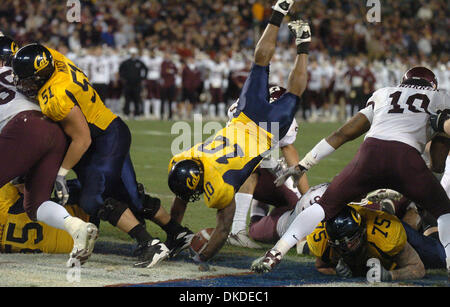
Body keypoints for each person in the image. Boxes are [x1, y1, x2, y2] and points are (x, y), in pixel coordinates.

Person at [251, 66, 450, 279]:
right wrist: (426, 175)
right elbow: (438, 162)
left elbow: (344, 133)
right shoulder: (441, 98)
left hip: (369, 155)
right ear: (433, 85)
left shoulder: (384, 93)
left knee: (324, 206)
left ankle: (276, 252)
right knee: (444, 211)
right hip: (407, 159)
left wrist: (304, 164)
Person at [11, 43, 192, 268]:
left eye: (27, 80)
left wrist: (60, 174)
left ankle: (149, 244)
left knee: (92, 199)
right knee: (129, 195)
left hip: (101, 141)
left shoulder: (54, 97)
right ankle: (178, 234)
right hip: (110, 129)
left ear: (40, 77)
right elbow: (40, 50)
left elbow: (82, 139)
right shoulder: (57, 61)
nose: (22, 84)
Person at [167, 0, 311, 265]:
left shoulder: (209, 179)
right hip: (247, 116)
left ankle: (303, 46)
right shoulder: (187, 156)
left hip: (261, 132)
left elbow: (221, 231)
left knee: (292, 93)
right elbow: (183, 192)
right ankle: (283, 21)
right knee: (260, 64)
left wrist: (202, 257)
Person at [0, 36, 98, 267]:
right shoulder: (19, 69)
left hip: (24, 127)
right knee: (35, 206)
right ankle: (76, 227)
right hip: (55, 131)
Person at [225, 92, 309, 248]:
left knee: (297, 205)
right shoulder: (246, 108)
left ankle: (257, 222)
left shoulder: (286, 120)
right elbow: (239, 148)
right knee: (251, 166)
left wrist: (308, 199)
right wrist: (270, 165)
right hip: (233, 163)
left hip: (255, 163)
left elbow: (293, 160)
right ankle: (237, 231)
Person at [119, 47, 148, 118]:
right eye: (132, 54)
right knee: (127, 99)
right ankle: (126, 113)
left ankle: (137, 114)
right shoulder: (126, 62)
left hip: (137, 84)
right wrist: (123, 78)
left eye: (134, 54)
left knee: (137, 99)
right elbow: (120, 70)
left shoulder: (139, 62)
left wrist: (143, 78)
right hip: (128, 83)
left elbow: (146, 69)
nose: (133, 55)